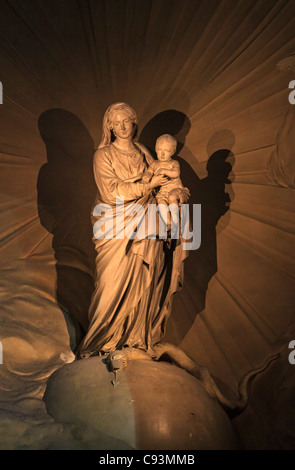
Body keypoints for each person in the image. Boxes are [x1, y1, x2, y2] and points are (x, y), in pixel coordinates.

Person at [76, 103, 188, 359]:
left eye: (127, 121)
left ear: (134, 122)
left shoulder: (144, 152)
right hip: (115, 226)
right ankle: (99, 343)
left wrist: (178, 193)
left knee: (144, 278)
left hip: (146, 224)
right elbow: (111, 192)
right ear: (110, 127)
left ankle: (134, 340)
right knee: (110, 283)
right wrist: (147, 185)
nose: (123, 127)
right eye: (117, 123)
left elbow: (167, 183)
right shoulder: (102, 155)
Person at [142, 134, 190, 234]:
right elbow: (149, 171)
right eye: (160, 150)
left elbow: (176, 173)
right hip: (162, 192)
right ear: (155, 149)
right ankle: (169, 223)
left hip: (175, 189)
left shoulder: (174, 163)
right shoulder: (154, 163)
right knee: (161, 204)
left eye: (167, 151)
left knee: (172, 197)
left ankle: (176, 221)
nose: (162, 154)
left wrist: (164, 171)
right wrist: (146, 176)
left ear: (173, 151)